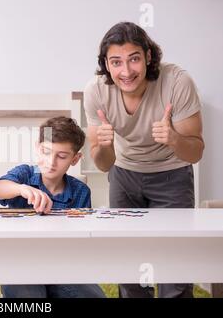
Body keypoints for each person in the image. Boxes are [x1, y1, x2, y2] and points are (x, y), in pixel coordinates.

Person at [84, 22, 205, 298]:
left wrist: (174, 139)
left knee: (174, 269)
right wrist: (104, 145)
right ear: (106, 63)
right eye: (116, 62)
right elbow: (103, 164)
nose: (126, 72)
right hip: (124, 174)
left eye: (134, 59)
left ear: (148, 56)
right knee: (128, 267)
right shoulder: (96, 91)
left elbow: (196, 152)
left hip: (172, 175)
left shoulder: (177, 82)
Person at [0, 116, 106, 298]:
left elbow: (81, 242)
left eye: (61, 156)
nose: (51, 162)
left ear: (75, 159)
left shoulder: (81, 191)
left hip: (62, 266)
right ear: (37, 148)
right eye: (46, 152)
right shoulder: (25, 174)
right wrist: (21, 189)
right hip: (20, 264)